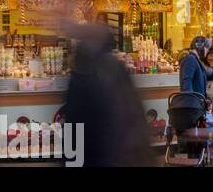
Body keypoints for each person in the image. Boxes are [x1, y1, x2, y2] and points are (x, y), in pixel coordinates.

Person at [63, 22, 151, 166]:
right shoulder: (113, 67)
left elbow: (76, 125)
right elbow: (132, 113)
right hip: (113, 154)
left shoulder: (83, 73)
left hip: (102, 155)